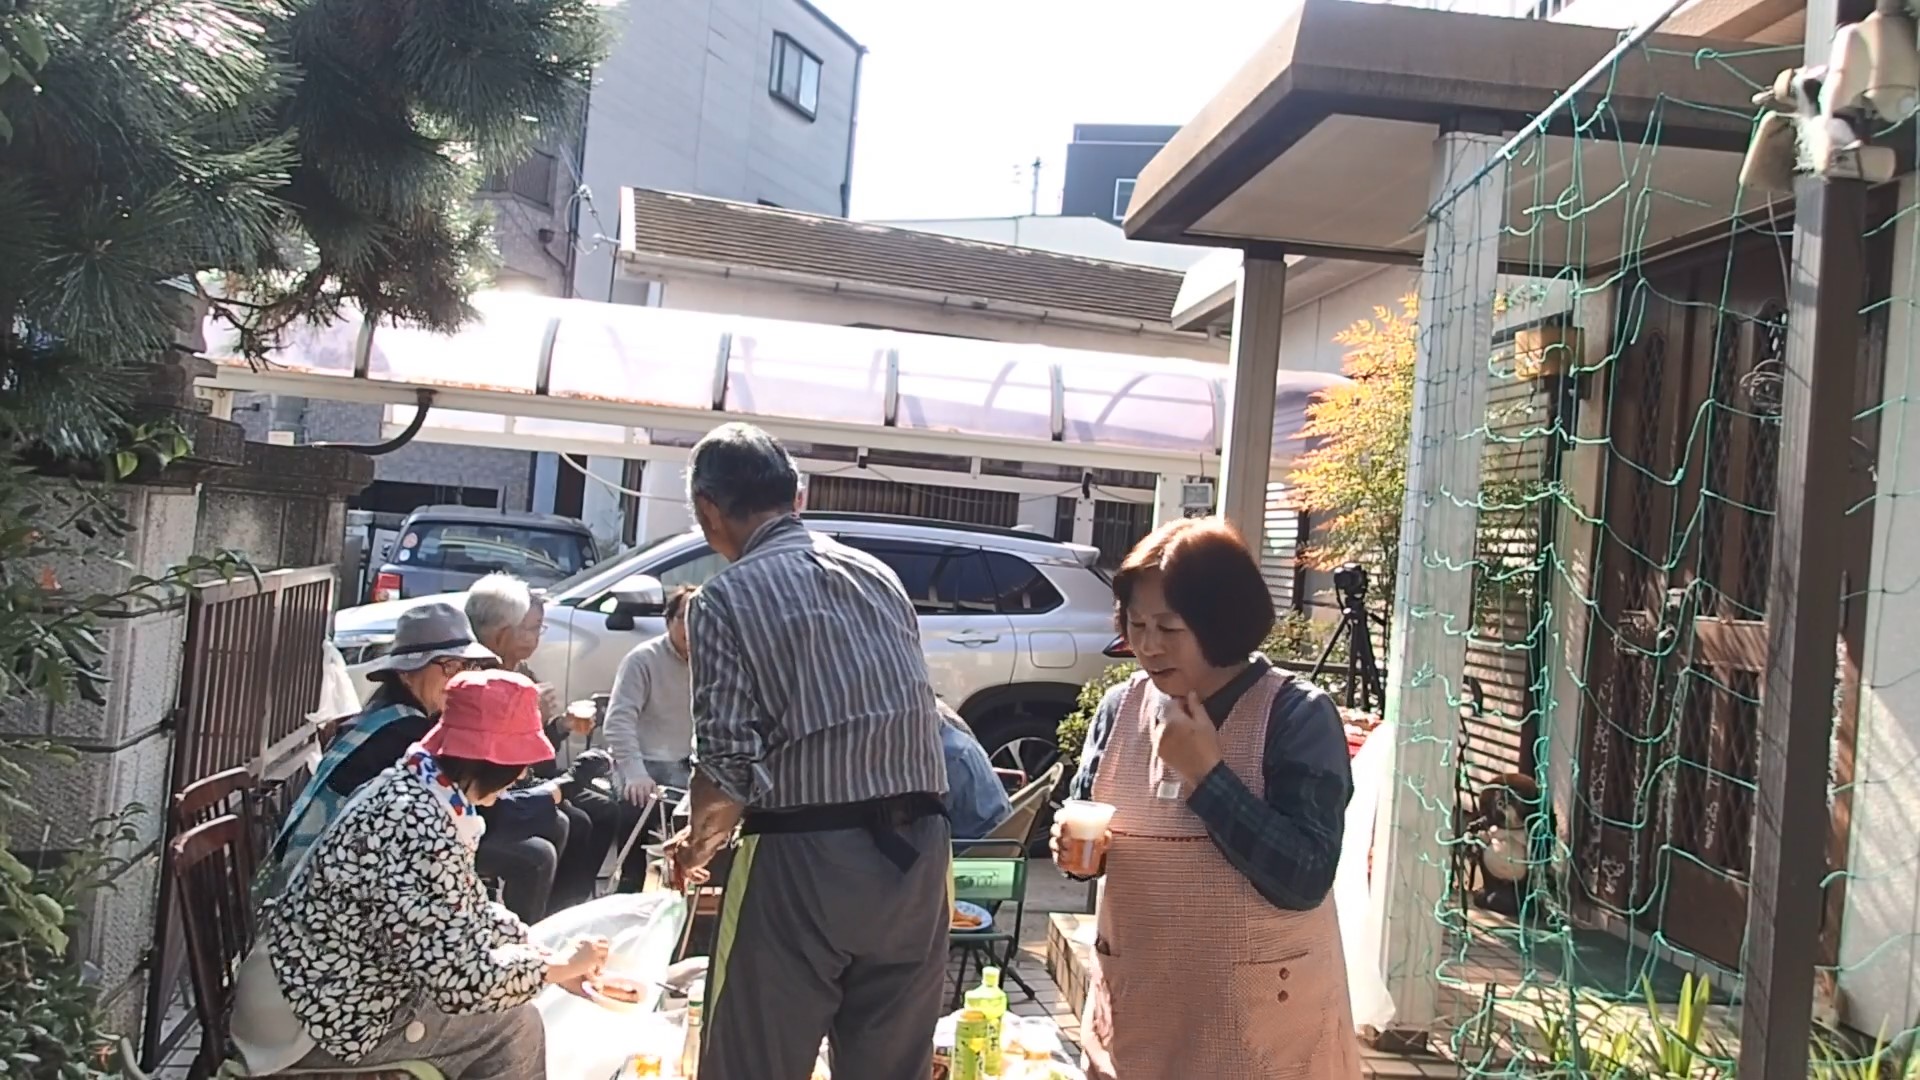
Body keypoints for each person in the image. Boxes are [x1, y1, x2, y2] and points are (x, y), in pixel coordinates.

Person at [664, 422, 951, 1080]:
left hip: (805, 855)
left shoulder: (724, 598)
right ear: (798, 495)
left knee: (752, 1064)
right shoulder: (877, 575)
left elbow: (728, 768)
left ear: (709, 511)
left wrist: (696, 844)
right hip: (920, 852)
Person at [1052, 517, 1360, 1080]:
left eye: (1169, 628)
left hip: (1262, 1035)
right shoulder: (1119, 709)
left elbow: (1305, 876)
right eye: (1136, 624)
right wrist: (1075, 853)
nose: (1148, 646)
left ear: (1222, 623)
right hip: (1138, 1020)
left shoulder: (1295, 715)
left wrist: (1207, 774)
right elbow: (1087, 826)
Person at [232, 669, 610, 1079]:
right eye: (518, 764)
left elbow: (464, 907)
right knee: (515, 1024)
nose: (521, 777)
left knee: (512, 1008)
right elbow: (459, 979)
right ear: (490, 759)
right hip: (312, 1018)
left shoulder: (420, 785)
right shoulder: (420, 823)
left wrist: (545, 957)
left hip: (315, 986)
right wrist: (554, 968)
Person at [266, 602, 494, 890]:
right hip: (323, 888)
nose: (459, 680)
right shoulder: (405, 735)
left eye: (468, 667)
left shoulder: (386, 712)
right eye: (450, 666)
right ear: (407, 672)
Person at [466, 573, 613, 915]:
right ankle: (543, 919)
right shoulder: (475, 676)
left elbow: (539, 760)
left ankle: (567, 912)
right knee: (565, 823)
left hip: (518, 782)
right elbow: (493, 761)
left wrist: (559, 726)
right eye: (532, 628)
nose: (536, 637)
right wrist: (528, 720)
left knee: (598, 811)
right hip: (485, 794)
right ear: (503, 633)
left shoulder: (523, 673)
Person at [604, 584, 697, 800]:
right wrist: (636, 773)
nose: (690, 626)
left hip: (692, 765)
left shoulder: (716, 660)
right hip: (645, 762)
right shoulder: (642, 659)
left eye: (698, 619)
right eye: (683, 618)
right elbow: (618, 722)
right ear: (668, 621)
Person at [938, 702, 1013, 841]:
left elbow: (928, 820)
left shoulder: (948, 754)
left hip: (975, 845)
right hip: (993, 830)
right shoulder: (949, 732)